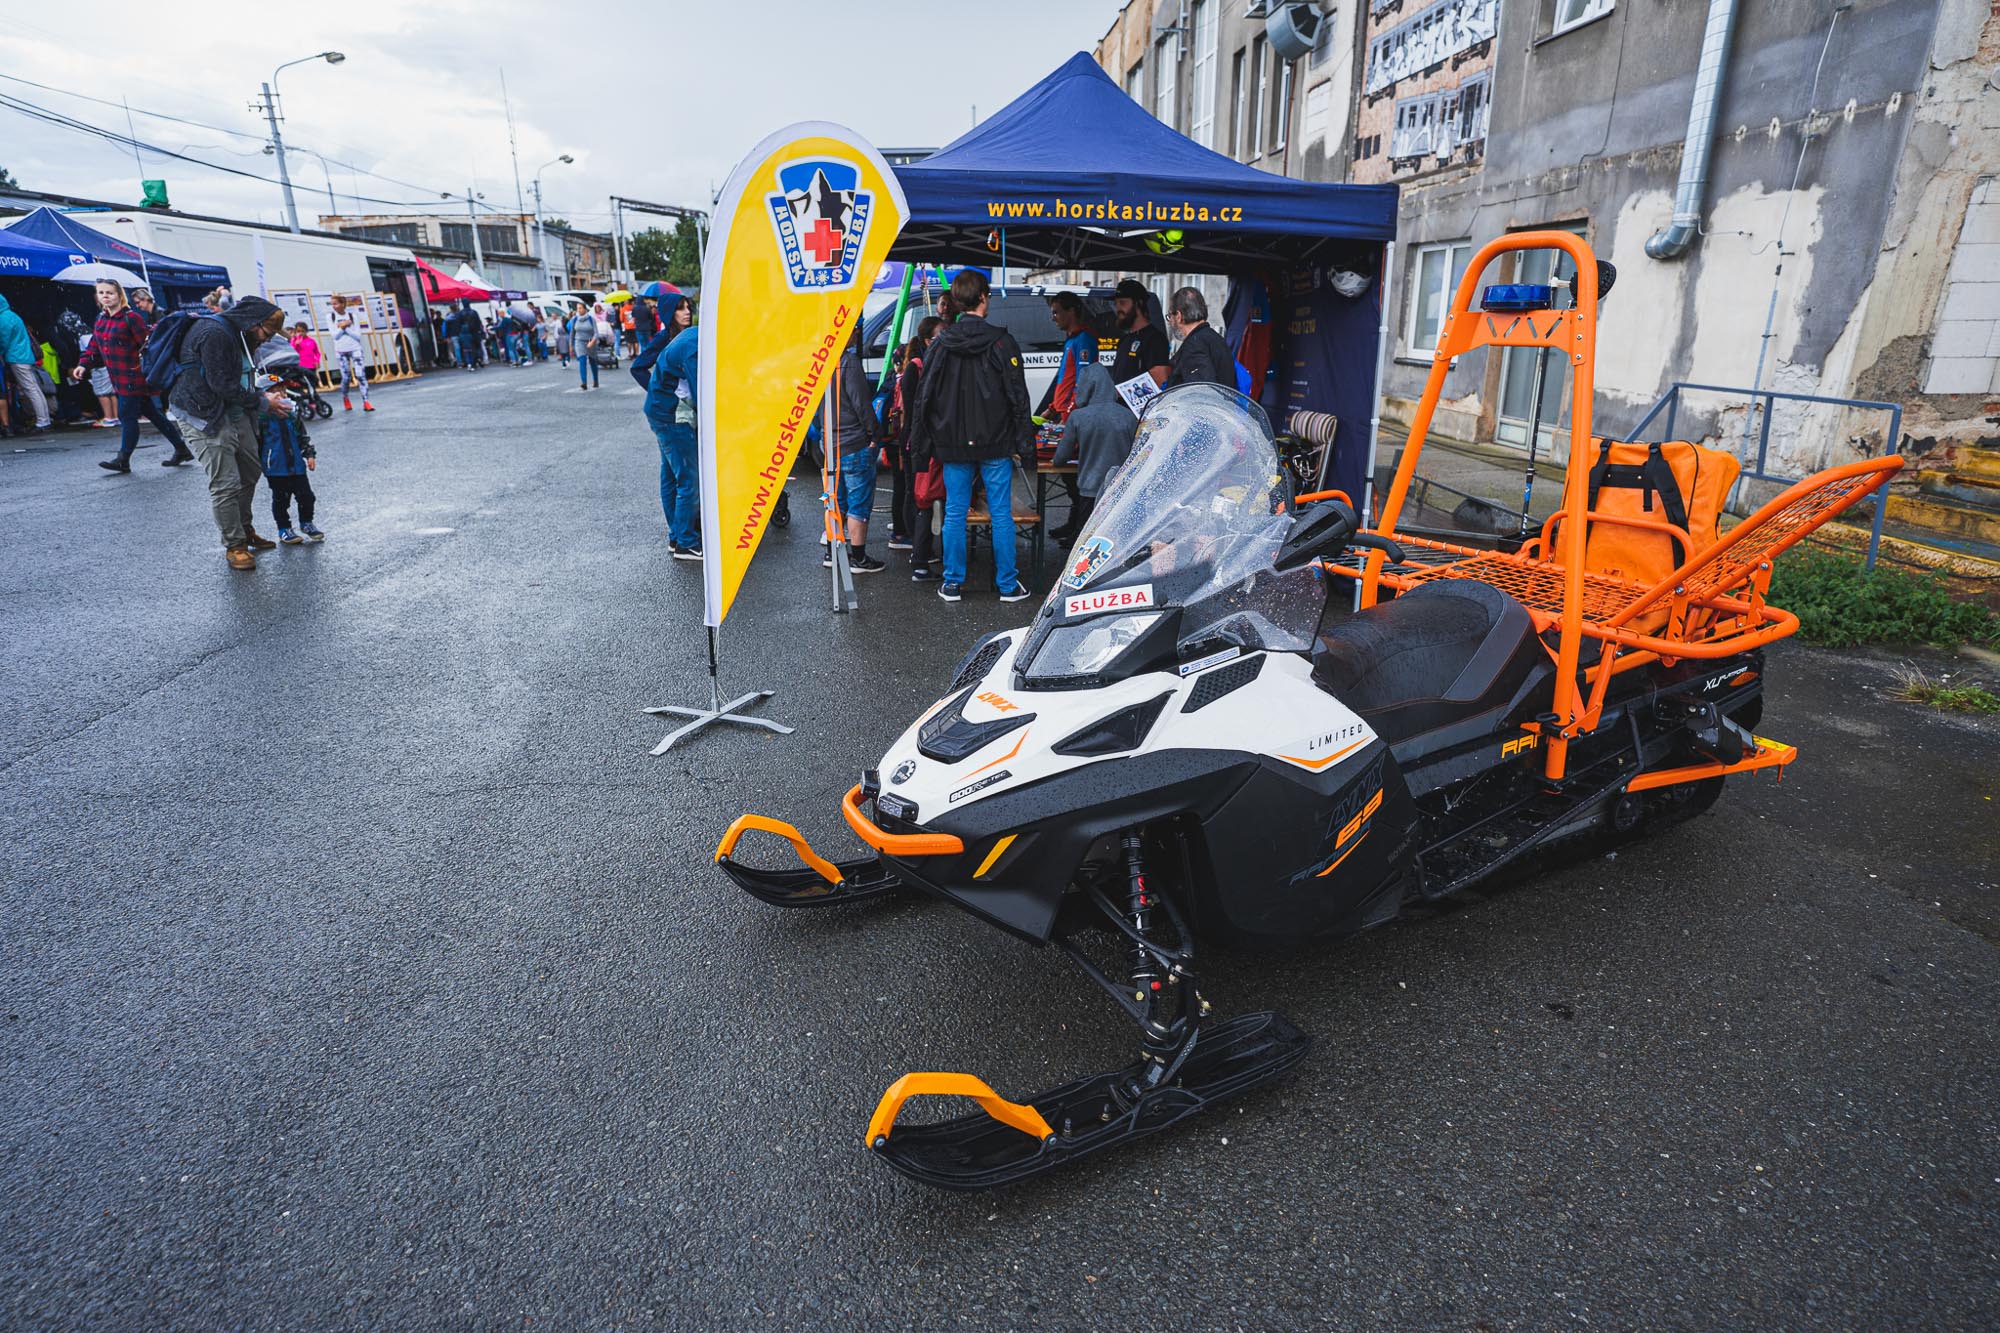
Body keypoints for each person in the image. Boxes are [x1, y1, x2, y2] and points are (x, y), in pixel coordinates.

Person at [909, 269, 1034, 603]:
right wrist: (1026, 444)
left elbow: (924, 396)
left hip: (952, 443)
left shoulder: (940, 345)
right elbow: (1018, 397)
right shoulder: (1002, 342)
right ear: (982, 298)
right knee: (1001, 514)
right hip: (996, 441)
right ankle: (1007, 585)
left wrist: (922, 444)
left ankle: (952, 583)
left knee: (954, 512)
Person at [167, 296, 293, 570]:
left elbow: (238, 379)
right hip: (204, 415)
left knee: (249, 471)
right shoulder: (214, 333)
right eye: (266, 334)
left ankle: (244, 529)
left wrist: (261, 398)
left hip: (232, 411)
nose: (265, 339)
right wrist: (263, 403)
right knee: (226, 482)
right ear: (254, 323)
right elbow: (222, 385)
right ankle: (235, 545)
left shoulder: (238, 333)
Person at [73, 279, 193, 471]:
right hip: (117, 377)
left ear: (119, 295)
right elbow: (94, 346)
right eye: (101, 293)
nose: (105, 296)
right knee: (153, 414)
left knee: (126, 415)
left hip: (134, 377)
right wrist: (83, 364)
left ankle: (123, 459)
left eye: (110, 293)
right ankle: (181, 449)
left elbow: (148, 347)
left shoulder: (132, 318)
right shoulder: (101, 319)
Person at [1052, 361, 1138, 543]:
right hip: (1120, 490)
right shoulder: (1128, 416)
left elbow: (1061, 458)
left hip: (1089, 491)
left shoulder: (1078, 417)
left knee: (1085, 543)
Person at [643, 295, 701, 557]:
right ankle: (686, 541)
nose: (686, 312)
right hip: (673, 417)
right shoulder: (694, 346)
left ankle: (676, 536)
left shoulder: (692, 337)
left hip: (659, 412)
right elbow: (702, 395)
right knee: (689, 479)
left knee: (670, 476)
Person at [828, 325, 887, 574]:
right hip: (854, 440)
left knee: (836, 501)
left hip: (830, 443)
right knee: (858, 504)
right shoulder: (848, 362)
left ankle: (833, 552)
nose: (857, 331)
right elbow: (862, 404)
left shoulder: (821, 361)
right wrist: (875, 434)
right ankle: (858, 558)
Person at [254, 338, 324, 544]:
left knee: (306, 496)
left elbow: (302, 436)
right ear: (264, 395)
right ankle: (284, 528)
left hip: (296, 466)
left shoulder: (293, 415)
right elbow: (256, 443)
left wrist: (309, 454)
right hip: (275, 468)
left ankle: (306, 522)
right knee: (281, 500)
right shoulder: (262, 418)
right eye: (276, 391)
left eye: (283, 390)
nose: (282, 395)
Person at [896, 316, 944, 580]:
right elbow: (915, 408)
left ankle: (921, 552)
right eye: (939, 336)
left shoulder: (926, 366)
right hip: (919, 441)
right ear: (928, 341)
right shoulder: (918, 368)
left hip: (919, 440)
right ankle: (919, 552)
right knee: (920, 497)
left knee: (923, 497)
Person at [1034, 291, 1099, 420]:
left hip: (1071, 414)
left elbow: (1083, 383)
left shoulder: (1083, 339)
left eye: (1056, 312)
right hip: (1063, 411)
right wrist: (1052, 408)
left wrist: (1070, 413)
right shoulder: (1072, 340)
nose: (1052, 318)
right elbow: (1066, 380)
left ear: (1071, 311)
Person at [0, 293, 52, 436]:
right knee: (35, 389)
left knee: (31, 389)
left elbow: (3, 341)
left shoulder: (3, 319)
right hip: (25, 356)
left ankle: (42, 422)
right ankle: (45, 419)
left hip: (17, 358)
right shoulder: (13, 315)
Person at [1164, 287, 1234, 389]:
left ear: (1178, 316)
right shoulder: (1215, 338)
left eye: (1170, 316)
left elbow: (1200, 393)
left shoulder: (1195, 345)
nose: (1170, 321)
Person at [1109, 278, 1171, 390]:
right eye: (1116, 303)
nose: (1118, 308)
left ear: (1139, 303)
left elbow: (1160, 379)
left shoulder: (1155, 339)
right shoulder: (1125, 340)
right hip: (1118, 406)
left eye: (1122, 303)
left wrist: (1125, 393)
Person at [331, 303, 373, 411]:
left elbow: (357, 336)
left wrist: (344, 327)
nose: (334, 306)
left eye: (336, 303)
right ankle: (345, 398)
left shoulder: (352, 316)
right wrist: (344, 326)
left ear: (343, 304)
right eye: (332, 304)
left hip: (355, 348)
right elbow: (335, 336)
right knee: (346, 377)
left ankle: (366, 401)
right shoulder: (331, 317)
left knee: (360, 375)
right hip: (341, 350)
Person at [570, 304, 601, 389]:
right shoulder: (575, 319)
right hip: (579, 341)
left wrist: (592, 342)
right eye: (577, 308)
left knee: (593, 362)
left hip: (590, 342)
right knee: (582, 360)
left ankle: (596, 380)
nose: (578, 310)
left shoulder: (591, 319)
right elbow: (572, 333)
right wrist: (571, 346)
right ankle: (584, 382)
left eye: (580, 308)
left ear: (585, 309)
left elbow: (596, 333)